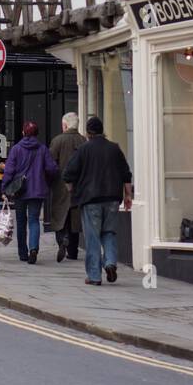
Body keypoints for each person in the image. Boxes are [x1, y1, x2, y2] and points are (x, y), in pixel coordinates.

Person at [63, 116, 132, 286]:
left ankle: (94, 276)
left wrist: (73, 190)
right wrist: (128, 196)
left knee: (92, 238)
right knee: (109, 233)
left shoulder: (83, 149)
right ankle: (110, 263)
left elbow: (67, 174)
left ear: (87, 132)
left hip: (91, 199)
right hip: (112, 199)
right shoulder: (114, 148)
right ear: (102, 131)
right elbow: (126, 173)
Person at [0, 121, 58, 265]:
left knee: (21, 221)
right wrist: (46, 180)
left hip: (20, 190)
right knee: (34, 220)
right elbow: (52, 168)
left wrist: (4, 187)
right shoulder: (43, 149)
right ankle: (33, 249)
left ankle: (23, 253)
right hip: (37, 189)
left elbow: (9, 170)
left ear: (23, 133)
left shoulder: (16, 149)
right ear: (37, 133)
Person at [50, 113, 85, 263]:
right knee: (75, 218)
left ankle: (62, 239)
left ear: (65, 125)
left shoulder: (58, 141)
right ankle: (73, 251)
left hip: (61, 185)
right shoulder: (84, 141)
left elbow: (50, 163)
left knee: (60, 215)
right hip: (79, 186)